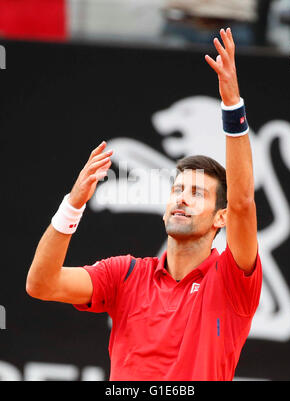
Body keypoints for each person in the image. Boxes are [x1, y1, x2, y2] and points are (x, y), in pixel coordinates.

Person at [26, 28, 262, 381]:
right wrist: (73, 204)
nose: (181, 197)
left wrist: (232, 107)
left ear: (221, 217)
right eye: (178, 189)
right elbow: (41, 285)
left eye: (197, 193)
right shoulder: (125, 275)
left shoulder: (231, 279)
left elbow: (243, 201)